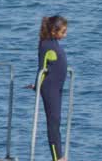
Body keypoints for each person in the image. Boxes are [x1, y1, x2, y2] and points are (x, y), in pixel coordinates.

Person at [37, 16, 69, 161]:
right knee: (53, 122)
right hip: (49, 88)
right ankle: (57, 158)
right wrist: (36, 86)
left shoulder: (54, 42)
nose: (65, 34)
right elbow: (41, 68)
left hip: (58, 87)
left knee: (57, 121)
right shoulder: (45, 45)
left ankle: (60, 156)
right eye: (63, 32)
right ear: (53, 31)